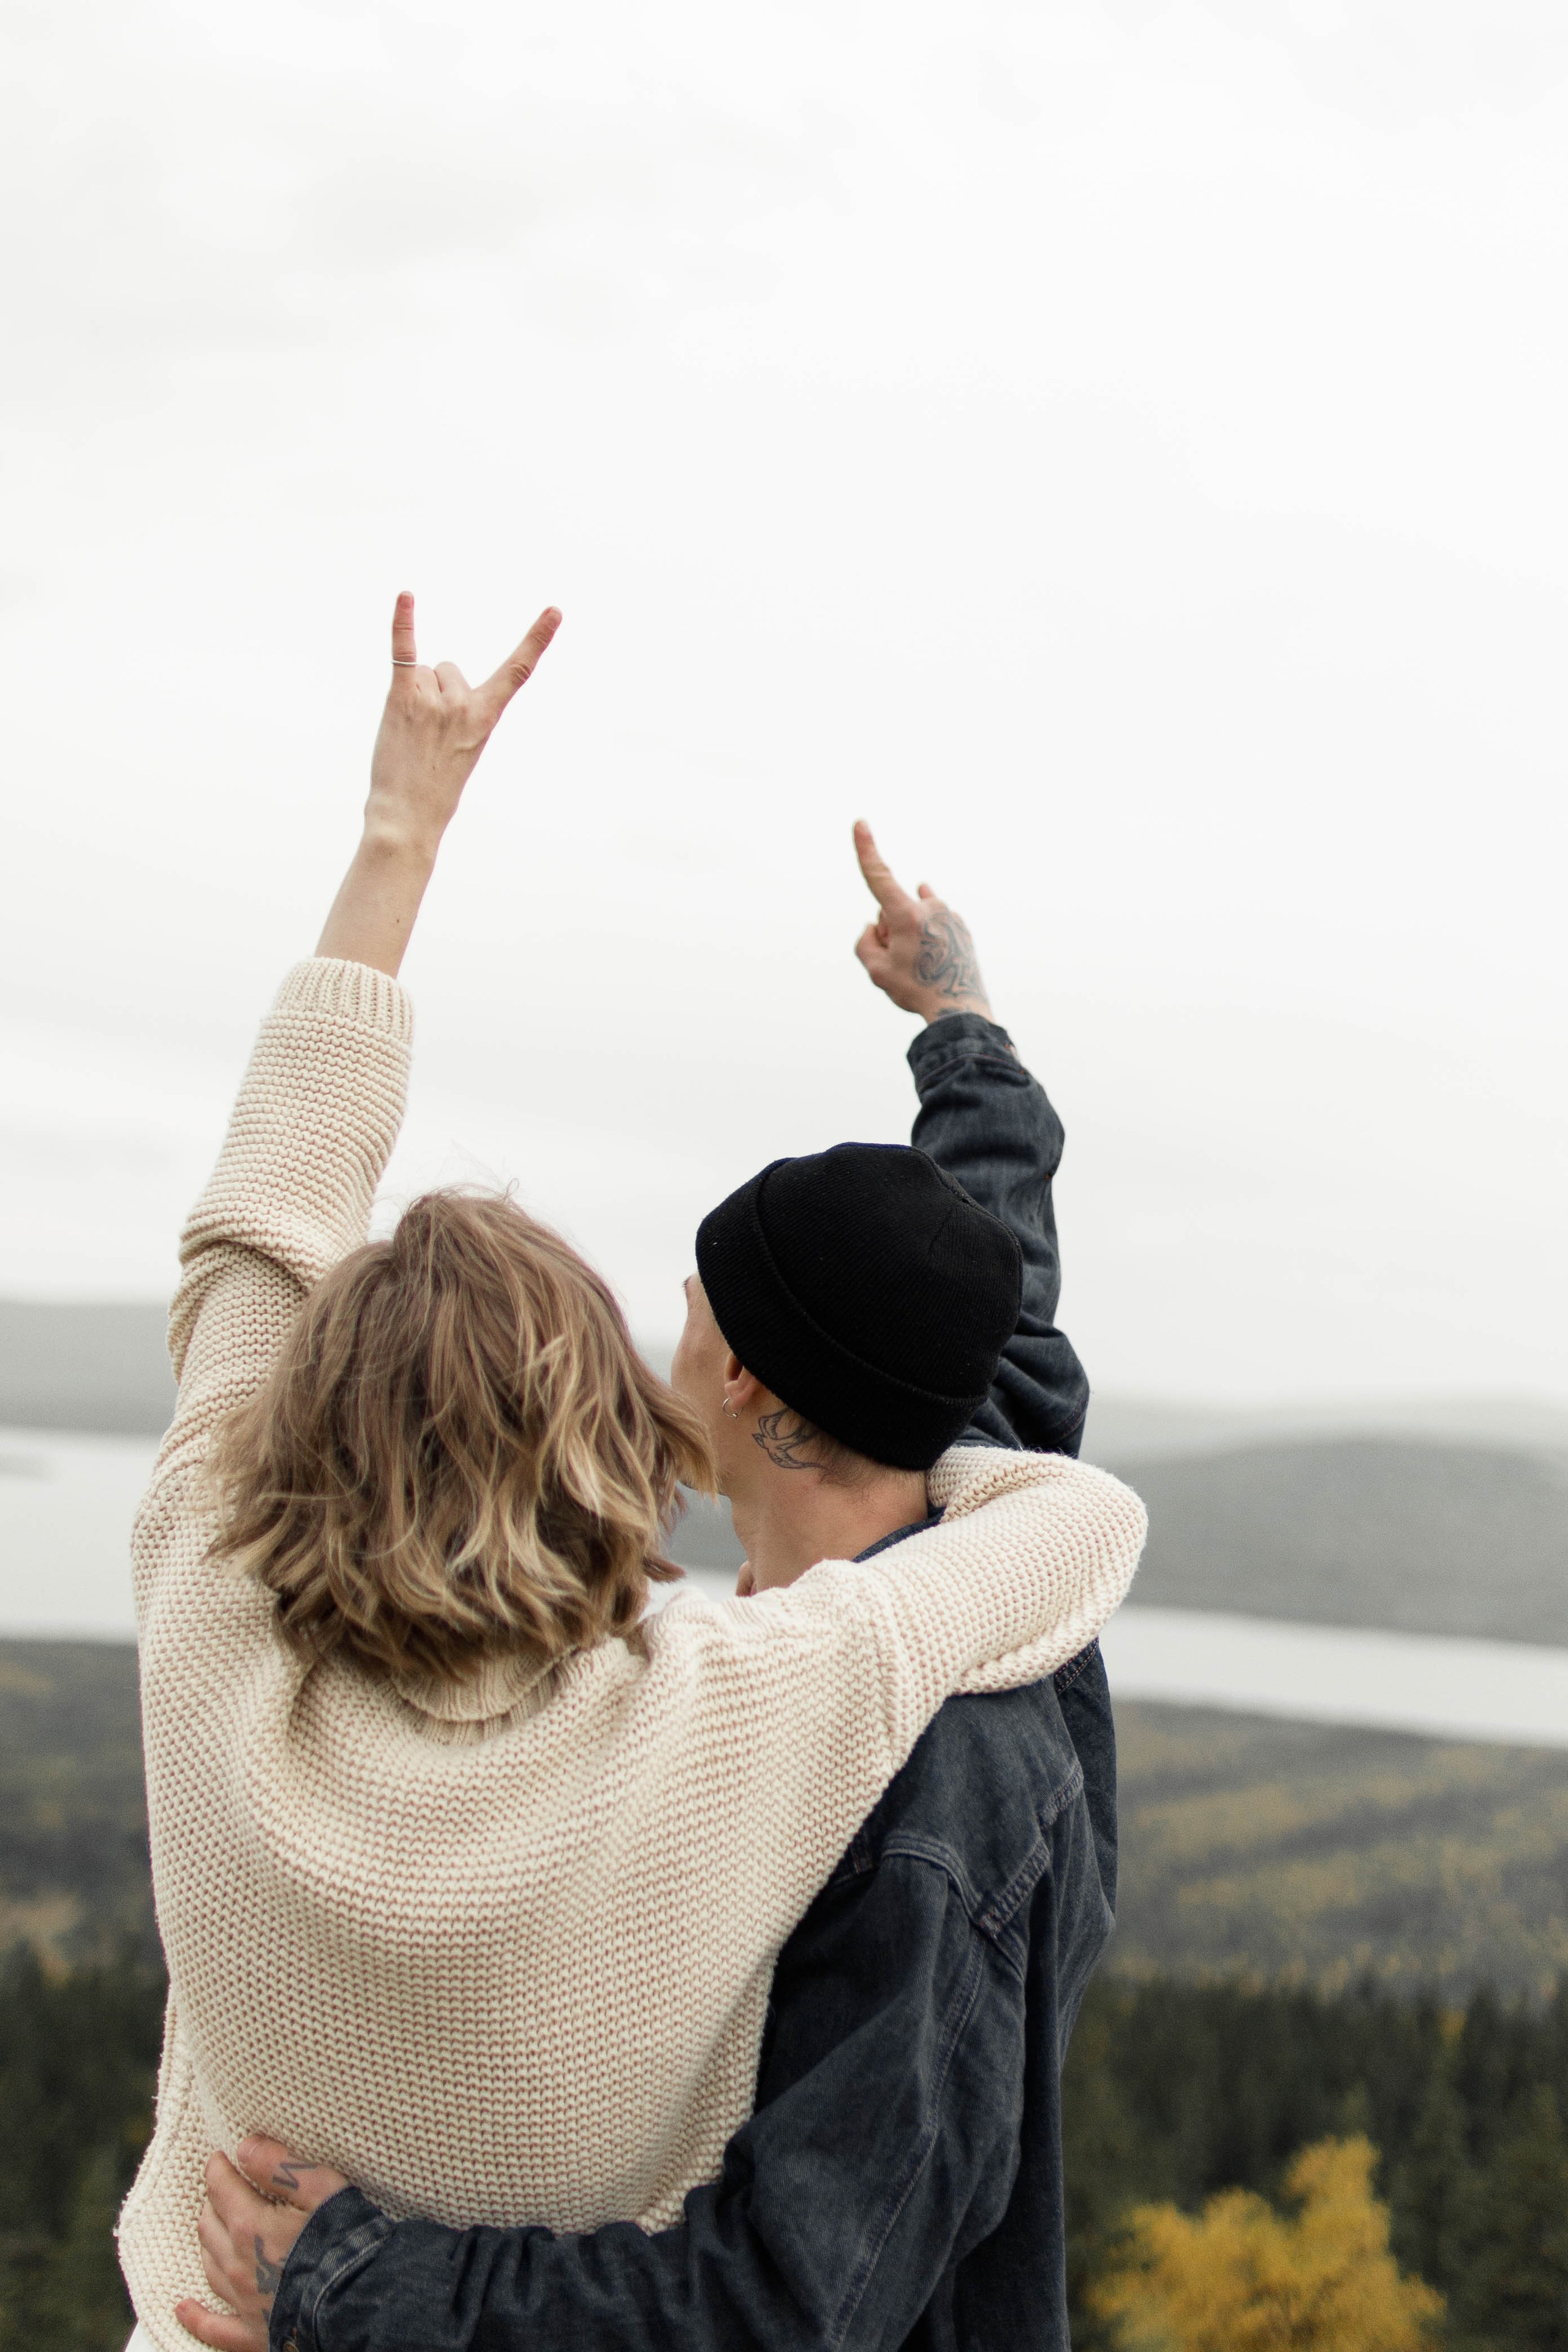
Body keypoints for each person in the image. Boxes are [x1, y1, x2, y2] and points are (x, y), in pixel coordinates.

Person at [124, 592, 1146, 2352]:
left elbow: (262, 1225)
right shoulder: (742, 1709)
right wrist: (965, 1029)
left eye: (693, 1297)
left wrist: (400, 831)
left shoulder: (205, 1595)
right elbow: (1045, 1475)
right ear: (597, 1442)